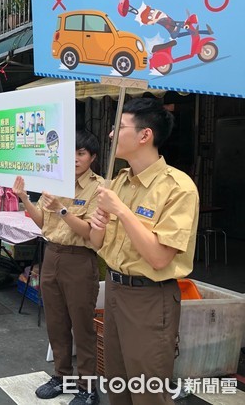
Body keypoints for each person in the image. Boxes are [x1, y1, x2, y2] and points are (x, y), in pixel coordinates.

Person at [89, 98, 199, 405]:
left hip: (150, 299)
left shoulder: (178, 187)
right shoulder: (119, 182)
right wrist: (99, 221)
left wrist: (122, 211)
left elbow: (159, 257)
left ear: (144, 136)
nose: (111, 135)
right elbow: (99, 244)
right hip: (115, 290)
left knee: (148, 392)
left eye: (119, 127)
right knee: (118, 385)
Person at [13, 131, 103, 405]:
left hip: (80, 259)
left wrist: (63, 210)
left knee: (82, 324)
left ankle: (87, 387)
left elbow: (90, 233)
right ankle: (61, 376)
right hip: (51, 254)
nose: (75, 159)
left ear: (92, 158)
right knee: (56, 322)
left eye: (81, 153)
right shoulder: (53, 181)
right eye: (71, 153)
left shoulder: (99, 188)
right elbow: (42, 222)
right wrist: (25, 199)